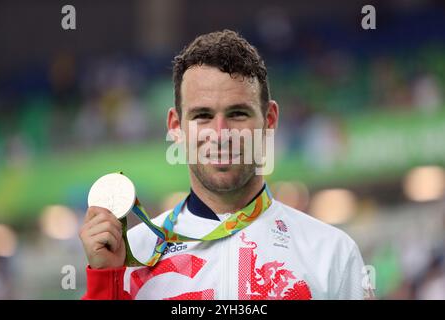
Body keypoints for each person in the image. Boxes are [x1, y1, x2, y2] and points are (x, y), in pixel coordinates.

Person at [80, 29, 367, 300]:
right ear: (176, 127)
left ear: (269, 120)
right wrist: (106, 284)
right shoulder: (132, 253)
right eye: (202, 115)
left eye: (238, 114)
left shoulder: (331, 253)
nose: (220, 134)